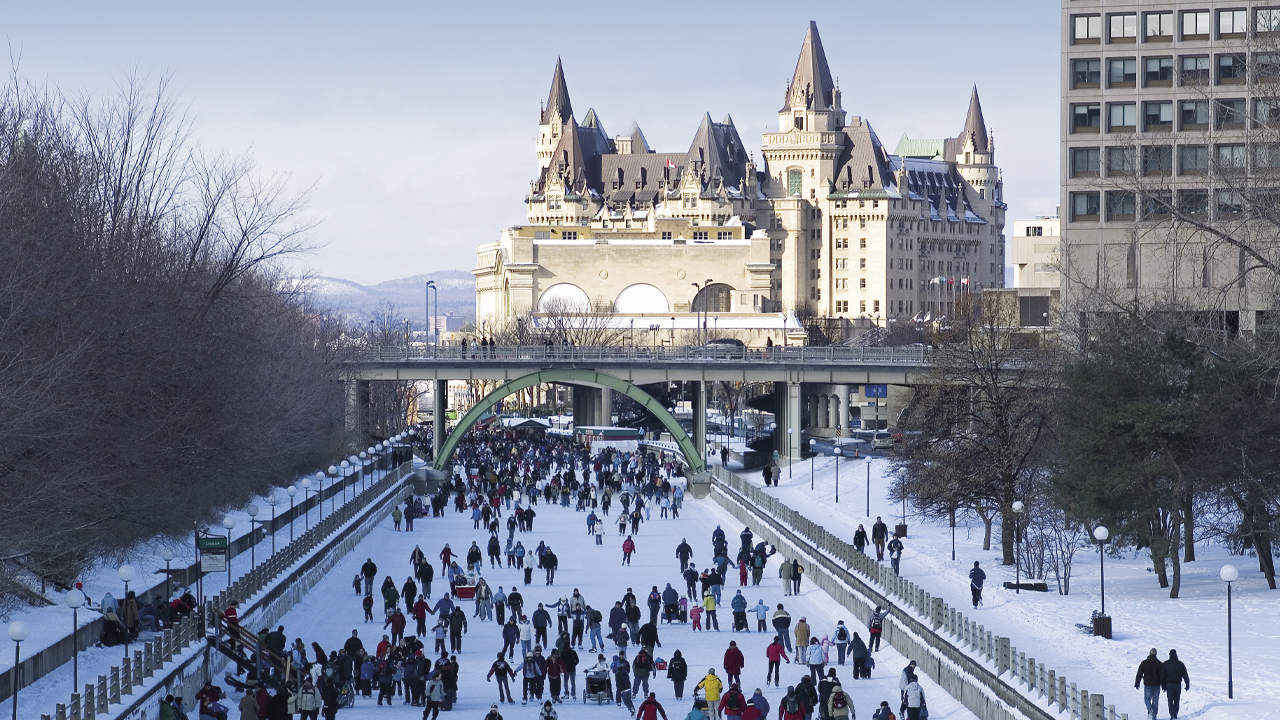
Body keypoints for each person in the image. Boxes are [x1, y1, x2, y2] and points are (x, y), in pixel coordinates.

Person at [1134, 648, 1164, 720]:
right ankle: (1154, 717)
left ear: (1149, 653)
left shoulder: (1144, 662)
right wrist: (1163, 685)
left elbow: (1139, 673)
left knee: (1146, 699)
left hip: (1148, 685)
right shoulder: (1160, 663)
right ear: (1156, 654)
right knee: (1155, 701)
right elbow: (1163, 675)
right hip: (1157, 685)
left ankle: (1150, 711)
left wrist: (1137, 683)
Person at [1161, 649, 1190, 720]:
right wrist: (1187, 684)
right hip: (1177, 685)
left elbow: (1162, 676)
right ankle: (1175, 715)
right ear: (1176, 655)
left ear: (1169, 655)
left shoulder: (1165, 663)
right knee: (1177, 700)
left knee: (1170, 700)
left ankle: (1172, 715)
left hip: (1169, 685)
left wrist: (1163, 686)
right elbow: (1185, 675)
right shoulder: (1180, 664)